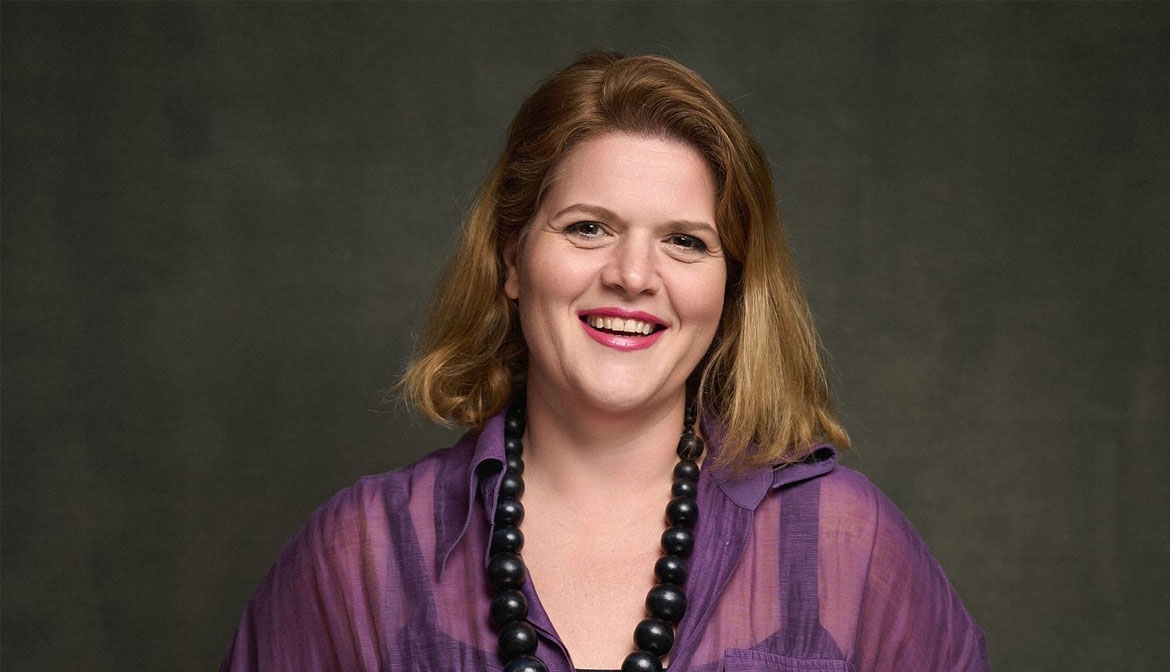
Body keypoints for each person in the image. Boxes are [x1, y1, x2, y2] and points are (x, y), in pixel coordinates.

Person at [221, 50, 989, 672]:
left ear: (730, 289)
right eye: (588, 227)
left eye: (684, 241)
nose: (632, 275)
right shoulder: (362, 556)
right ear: (512, 260)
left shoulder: (848, 547)